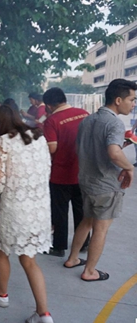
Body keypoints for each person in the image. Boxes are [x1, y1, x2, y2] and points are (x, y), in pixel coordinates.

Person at [0, 105, 54, 323]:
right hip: (39, 208)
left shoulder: (3, 141)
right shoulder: (39, 136)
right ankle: (44, 314)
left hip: (15, 208)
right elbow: (47, 168)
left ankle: (2, 295)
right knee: (30, 261)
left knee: (2, 250)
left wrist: (3, 189)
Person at [63, 79, 136, 282]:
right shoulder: (114, 123)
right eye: (132, 99)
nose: (134, 104)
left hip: (86, 181)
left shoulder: (88, 120)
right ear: (118, 99)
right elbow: (113, 153)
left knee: (86, 221)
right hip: (105, 185)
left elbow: (85, 148)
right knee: (100, 228)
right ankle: (89, 271)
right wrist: (128, 167)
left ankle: (72, 258)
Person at [42, 87, 90, 257]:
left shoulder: (52, 120)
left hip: (61, 174)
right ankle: (83, 243)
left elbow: (52, 147)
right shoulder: (84, 114)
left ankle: (59, 246)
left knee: (60, 211)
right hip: (83, 172)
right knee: (81, 210)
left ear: (48, 105)